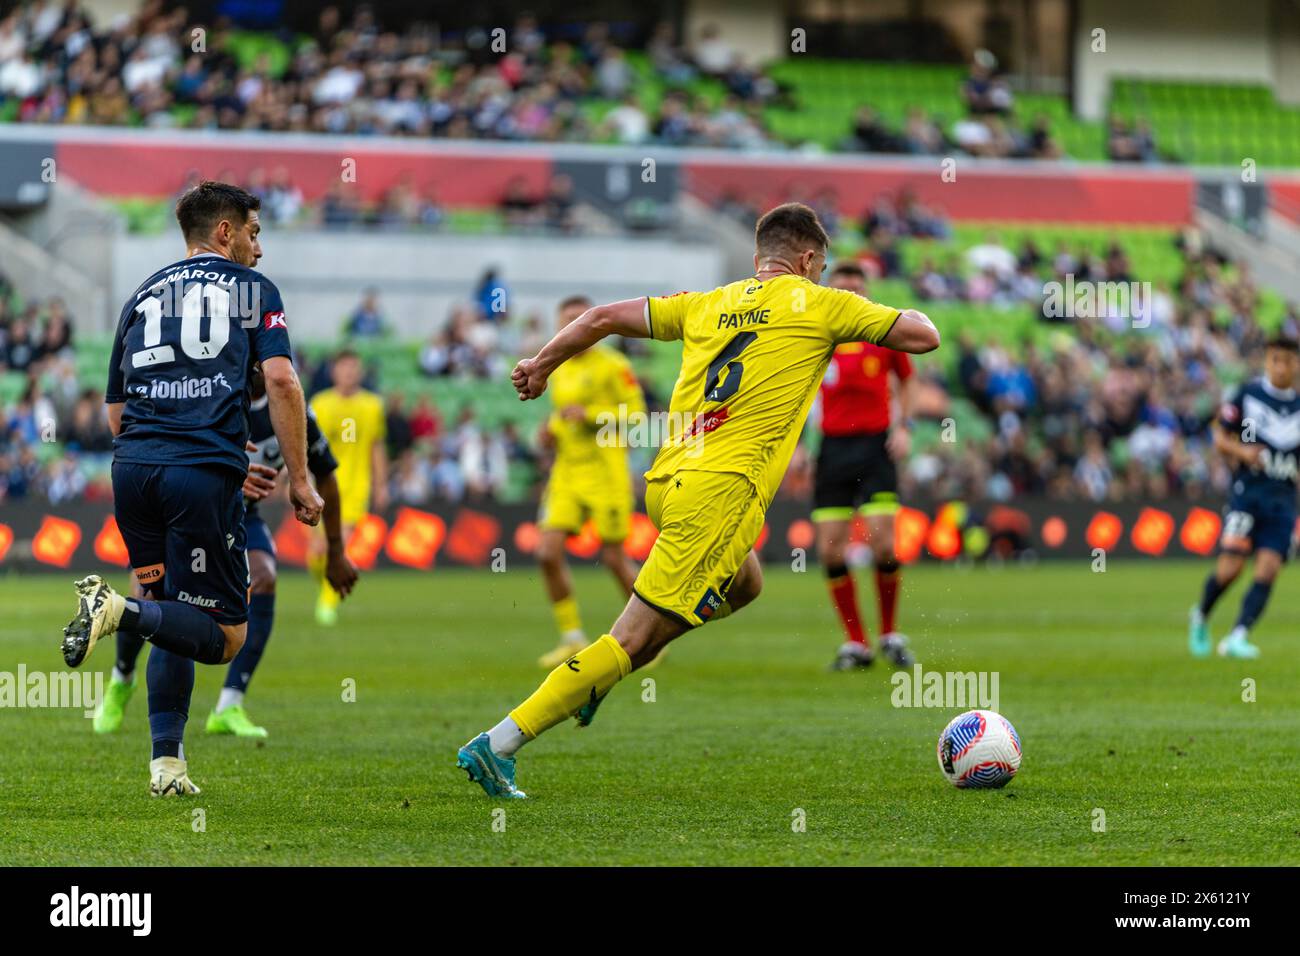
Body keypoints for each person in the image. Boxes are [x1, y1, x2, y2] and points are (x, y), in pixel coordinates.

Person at [457, 202, 939, 798]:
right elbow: (924, 335)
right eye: (821, 267)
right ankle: (501, 741)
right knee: (629, 638)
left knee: (746, 584)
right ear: (810, 260)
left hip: (668, 481)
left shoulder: (707, 302)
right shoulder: (821, 303)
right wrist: (883, 306)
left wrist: (540, 365)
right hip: (721, 491)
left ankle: (598, 678)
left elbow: (602, 316)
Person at [63, 181, 323, 796]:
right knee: (226, 635)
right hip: (197, 477)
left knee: (171, 613)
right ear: (226, 232)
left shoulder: (142, 294)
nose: (260, 249)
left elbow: (115, 416)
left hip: (133, 474)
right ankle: (116, 609)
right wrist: (300, 481)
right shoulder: (255, 290)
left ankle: (166, 765)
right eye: (254, 233)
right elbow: (282, 384)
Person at [93, 367, 358, 738]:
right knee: (148, 588)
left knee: (264, 574)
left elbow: (326, 474)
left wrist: (335, 551)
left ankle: (229, 705)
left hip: (238, 516)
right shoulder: (205, 395)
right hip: (185, 508)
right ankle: (122, 677)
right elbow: (164, 447)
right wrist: (227, 470)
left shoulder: (292, 409)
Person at [814, 261, 918, 671]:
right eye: (843, 289)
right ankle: (856, 643)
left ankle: (889, 634)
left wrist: (905, 426)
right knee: (829, 549)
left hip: (876, 447)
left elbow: (908, 379)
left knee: (884, 544)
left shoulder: (885, 333)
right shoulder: (819, 336)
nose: (852, 295)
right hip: (832, 449)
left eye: (858, 288)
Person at [534, 294, 645, 669]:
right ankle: (571, 637)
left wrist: (591, 415)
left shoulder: (614, 366)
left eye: (578, 319)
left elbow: (636, 417)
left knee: (614, 559)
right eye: (566, 320)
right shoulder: (558, 367)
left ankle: (649, 637)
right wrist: (550, 430)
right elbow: (561, 416)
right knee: (547, 553)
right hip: (567, 473)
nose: (572, 326)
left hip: (606, 472)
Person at [1189, 336, 1300, 659]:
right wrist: (1242, 450)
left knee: (1268, 569)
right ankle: (1201, 614)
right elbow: (1219, 435)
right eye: (1276, 359)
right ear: (1267, 361)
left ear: (1296, 365)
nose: (1281, 366)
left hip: (1282, 501)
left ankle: (1238, 636)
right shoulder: (1247, 395)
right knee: (1230, 569)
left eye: (1288, 360)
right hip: (1247, 494)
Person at [309, 349, 387, 625]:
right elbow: (306, 447)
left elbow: (376, 447)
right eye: (344, 367)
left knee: (336, 546)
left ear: (360, 371)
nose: (349, 372)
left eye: (354, 367)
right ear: (334, 371)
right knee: (316, 553)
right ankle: (328, 584)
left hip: (355, 489)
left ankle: (327, 605)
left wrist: (381, 484)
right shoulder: (320, 403)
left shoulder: (372, 405)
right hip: (323, 485)